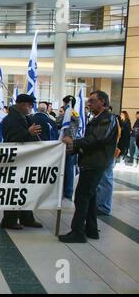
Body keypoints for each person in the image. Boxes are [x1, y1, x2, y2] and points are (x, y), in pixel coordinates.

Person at [59, 90, 119, 243]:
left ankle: (77, 232)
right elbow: (91, 140)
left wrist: (73, 143)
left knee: (81, 197)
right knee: (90, 198)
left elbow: (97, 139)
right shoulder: (97, 118)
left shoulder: (108, 118)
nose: (88, 103)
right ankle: (91, 230)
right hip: (91, 162)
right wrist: (75, 148)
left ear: (103, 102)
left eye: (92, 101)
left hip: (95, 163)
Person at [0, 94, 43, 230]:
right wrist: (28, 132)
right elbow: (12, 140)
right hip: (16, 161)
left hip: (26, 159)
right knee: (15, 191)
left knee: (25, 190)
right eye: (30, 105)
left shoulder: (25, 118)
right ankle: (9, 220)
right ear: (22, 105)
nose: (31, 108)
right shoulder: (11, 120)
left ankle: (26, 218)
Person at [56, 95, 80, 201]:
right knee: (69, 168)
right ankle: (68, 191)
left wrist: (60, 115)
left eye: (64, 103)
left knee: (66, 168)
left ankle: (66, 190)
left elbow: (58, 122)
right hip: (73, 143)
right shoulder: (75, 113)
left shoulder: (68, 113)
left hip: (66, 143)